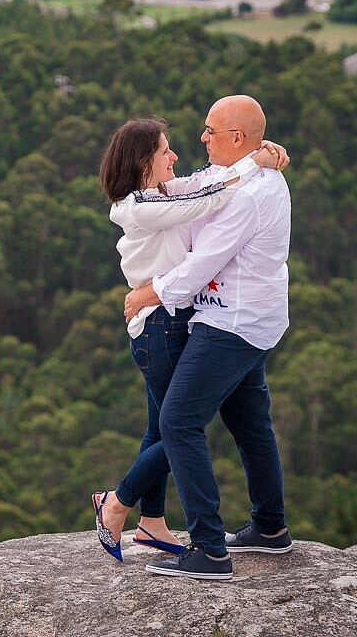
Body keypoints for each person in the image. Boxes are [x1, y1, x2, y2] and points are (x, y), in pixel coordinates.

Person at [91, 118, 289, 562]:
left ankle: (150, 521)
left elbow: (202, 186)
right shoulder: (142, 205)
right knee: (179, 425)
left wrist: (257, 157)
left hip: (187, 319)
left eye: (209, 131)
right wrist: (254, 160)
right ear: (145, 162)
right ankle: (126, 507)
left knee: (169, 424)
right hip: (162, 323)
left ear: (236, 137)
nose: (181, 153)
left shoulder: (166, 192)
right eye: (166, 151)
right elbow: (206, 196)